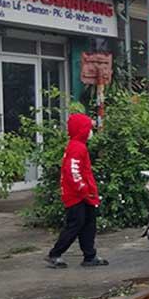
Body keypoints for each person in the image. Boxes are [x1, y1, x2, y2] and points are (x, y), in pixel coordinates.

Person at [46, 113, 108, 268]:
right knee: (76, 224)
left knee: (88, 224)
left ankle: (89, 256)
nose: (90, 131)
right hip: (77, 195)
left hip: (83, 195)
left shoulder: (78, 146)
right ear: (82, 130)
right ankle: (55, 253)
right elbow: (72, 172)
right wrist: (84, 189)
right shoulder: (77, 147)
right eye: (88, 128)